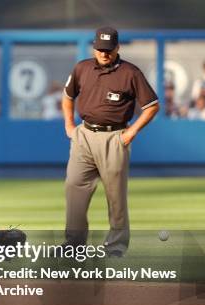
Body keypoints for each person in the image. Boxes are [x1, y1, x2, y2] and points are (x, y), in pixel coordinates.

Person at [61, 27, 159, 256]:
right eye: (100, 49)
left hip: (114, 138)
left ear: (117, 48)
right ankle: (74, 244)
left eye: (109, 49)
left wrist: (131, 132)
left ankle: (116, 246)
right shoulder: (82, 68)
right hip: (84, 135)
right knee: (73, 187)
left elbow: (152, 106)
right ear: (94, 47)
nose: (104, 54)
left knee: (115, 196)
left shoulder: (130, 73)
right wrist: (68, 125)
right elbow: (67, 96)